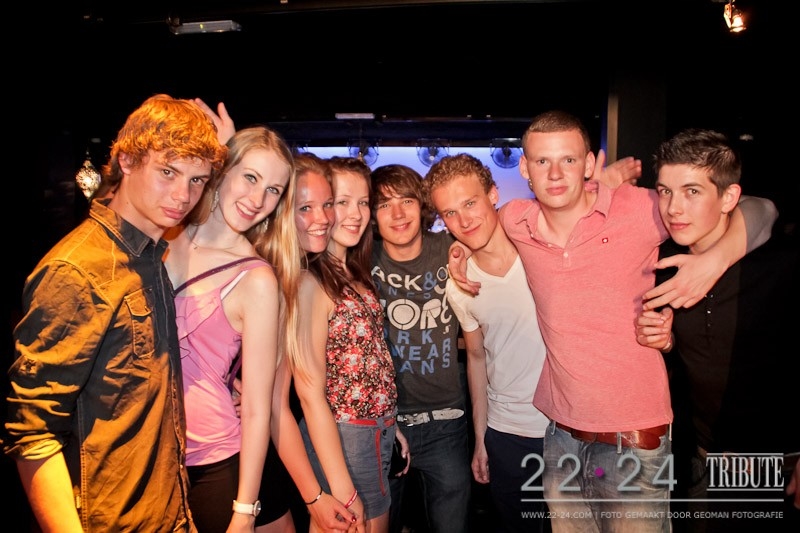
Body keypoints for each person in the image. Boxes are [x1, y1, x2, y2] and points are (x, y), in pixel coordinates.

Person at [449, 110, 777, 532]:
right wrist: (458, 251)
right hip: (561, 438)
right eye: (542, 161)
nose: (555, 174)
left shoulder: (642, 209)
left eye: (568, 160)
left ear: (587, 164)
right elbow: (470, 227)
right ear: (525, 169)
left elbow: (762, 209)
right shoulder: (517, 219)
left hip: (635, 441)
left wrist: (715, 260)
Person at [3, 94, 226, 532]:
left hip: (168, 512)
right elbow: (32, 433)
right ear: (126, 160)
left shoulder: (149, 255)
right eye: (168, 172)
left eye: (197, 180)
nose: (183, 195)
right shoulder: (77, 269)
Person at [195, 101, 358, 533]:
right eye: (304, 208)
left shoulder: (292, 269)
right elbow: (274, 404)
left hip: (257, 446)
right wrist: (318, 496)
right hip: (241, 449)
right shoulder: (265, 272)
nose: (322, 218)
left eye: (328, 205)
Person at [634, 128, 799, 533]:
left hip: (770, 462)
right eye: (665, 191)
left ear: (729, 198)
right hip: (698, 456)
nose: (673, 208)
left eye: (692, 191)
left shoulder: (781, 266)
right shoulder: (663, 265)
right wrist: (666, 342)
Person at [164, 125, 299, 532]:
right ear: (222, 172)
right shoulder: (166, 235)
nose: (257, 200)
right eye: (250, 177)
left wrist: (244, 510)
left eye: (273, 190)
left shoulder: (256, 279)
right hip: (149, 452)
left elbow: (257, 407)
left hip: (213, 460)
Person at [424, 153, 551, 533]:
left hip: (567, 427)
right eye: (450, 213)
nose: (464, 221)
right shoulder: (459, 285)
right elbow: (477, 359)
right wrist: (480, 438)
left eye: (470, 203)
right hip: (507, 432)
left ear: (493, 194)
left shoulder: (539, 245)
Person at [294, 156, 398, 533]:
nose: (356, 214)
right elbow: (310, 394)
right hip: (345, 436)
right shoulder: (311, 282)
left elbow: (372, 360)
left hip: (375, 430)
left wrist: (391, 423)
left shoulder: (354, 272)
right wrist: (341, 487)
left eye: (363, 202)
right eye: (341, 202)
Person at [370, 164, 471, 533]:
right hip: (382, 425)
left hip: (446, 422)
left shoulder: (450, 249)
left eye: (407, 200)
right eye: (384, 205)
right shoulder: (359, 259)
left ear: (422, 205)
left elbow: (501, 231)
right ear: (370, 215)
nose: (398, 213)